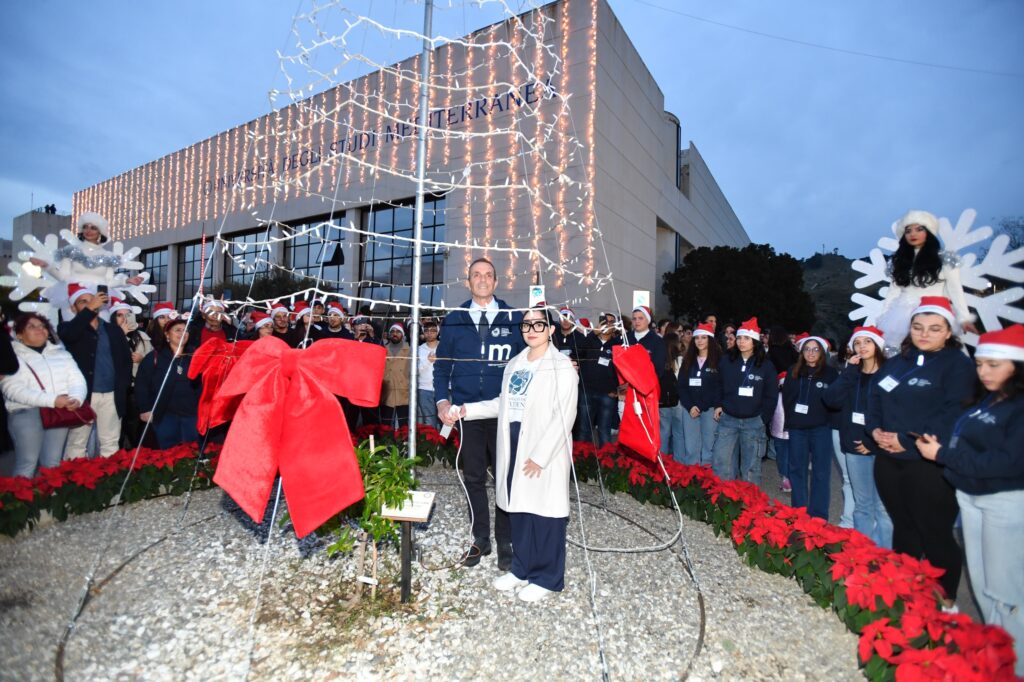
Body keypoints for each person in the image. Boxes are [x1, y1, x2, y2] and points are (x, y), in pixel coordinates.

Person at [916, 325, 1024, 671]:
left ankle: (1016, 662)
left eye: (994, 365)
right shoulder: (990, 399)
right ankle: (996, 648)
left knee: (1005, 587)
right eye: (981, 364)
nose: (984, 372)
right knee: (980, 580)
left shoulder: (1018, 408)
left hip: (1003, 502)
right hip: (971, 497)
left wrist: (943, 455)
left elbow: (1008, 462)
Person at [456, 306, 577, 602]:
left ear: (550, 330)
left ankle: (547, 577)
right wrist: (467, 410)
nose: (531, 330)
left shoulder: (561, 366)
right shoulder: (515, 364)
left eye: (539, 325)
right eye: (526, 325)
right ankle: (521, 569)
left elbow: (565, 414)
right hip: (512, 442)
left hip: (542, 446)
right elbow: (504, 404)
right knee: (518, 508)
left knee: (545, 513)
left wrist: (542, 454)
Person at [867, 296, 974, 608]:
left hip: (929, 466)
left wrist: (907, 440)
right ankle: (907, 593)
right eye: (918, 327)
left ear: (948, 332)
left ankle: (948, 602)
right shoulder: (898, 363)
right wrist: (874, 431)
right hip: (889, 461)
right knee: (904, 527)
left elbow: (954, 414)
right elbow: (874, 399)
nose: (924, 333)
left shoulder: (958, 366)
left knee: (934, 532)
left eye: (934, 328)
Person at [434, 257, 525, 569]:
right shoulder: (455, 318)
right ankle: (480, 538)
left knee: (504, 477)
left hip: (504, 413)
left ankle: (506, 541)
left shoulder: (514, 317)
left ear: (496, 282)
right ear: (468, 281)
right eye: (477, 275)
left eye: (488, 275)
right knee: (473, 476)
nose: (483, 279)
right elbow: (442, 366)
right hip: (467, 414)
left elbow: (532, 354)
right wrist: (442, 403)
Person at [824, 326, 892, 547]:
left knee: (883, 506)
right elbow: (831, 399)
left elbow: (894, 413)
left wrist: (872, 442)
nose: (862, 347)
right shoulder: (852, 374)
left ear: (878, 346)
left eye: (867, 342)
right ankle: (862, 552)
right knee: (862, 504)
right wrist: (850, 372)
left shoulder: (890, 374)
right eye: (858, 343)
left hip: (882, 448)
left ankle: (884, 554)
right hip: (854, 444)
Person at [874, 210, 978, 353]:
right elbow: (893, 293)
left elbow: (955, 290)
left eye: (919, 229)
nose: (913, 234)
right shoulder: (899, 262)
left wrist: (964, 318)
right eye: (908, 231)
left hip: (934, 312)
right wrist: (882, 319)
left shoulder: (944, 260)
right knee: (900, 355)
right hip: (900, 316)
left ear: (928, 232)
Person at [2, 313, 87, 476]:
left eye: (42, 326)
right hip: (27, 413)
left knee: (52, 464)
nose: (39, 329)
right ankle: (21, 501)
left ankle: (47, 499)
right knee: (27, 463)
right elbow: (12, 390)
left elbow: (77, 379)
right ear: (19, 334)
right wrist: (53, 400)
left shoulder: (61, 353)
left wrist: (76, 398)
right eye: (32, 326)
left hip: (57, 413)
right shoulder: (11, 356)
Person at [58, 283, 132, 458]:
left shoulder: (113, 330)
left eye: (91, 300)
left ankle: (109, 483)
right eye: (83, 302)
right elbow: (68, 336)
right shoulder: (67, 327)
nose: (90, 304)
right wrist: (89, 310)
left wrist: (122, 386)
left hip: (112, 395)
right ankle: (76, 482)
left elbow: (125, 361)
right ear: (73, 307)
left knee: (110, 442)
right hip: (83, 396)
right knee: (77, 443)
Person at [711, 317, 777, 482]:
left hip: (754, 422)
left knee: (751, 468)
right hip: (728, 419)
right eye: (739, 338)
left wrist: (763, 418)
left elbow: (771, 395)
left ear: (755, 340)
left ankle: (749, 505)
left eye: (746, 338)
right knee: (721, 463)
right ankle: (724, 501)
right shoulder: (727, 360)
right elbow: (718, 384)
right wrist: (718, 404)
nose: (741, 342)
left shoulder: (766, 365)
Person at [782, 335, 839, 520]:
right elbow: (787, 399)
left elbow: (835, 400)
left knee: (821, 472)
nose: (811, 353)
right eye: (807, 349)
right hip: (798, 428)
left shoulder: (831, 374)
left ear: (822, 352)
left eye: (815, 349)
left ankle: (819, 515)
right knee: (796, 469)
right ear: (802, 352)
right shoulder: (793, 371)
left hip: (821, 428)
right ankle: (799, 512)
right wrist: (790, 421)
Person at [135, 318, 202, 449]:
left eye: (185, 330)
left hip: (192, 416)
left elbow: (202, 384)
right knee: (167, 454)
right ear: (167, 335)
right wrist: (144, 408)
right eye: (178, 330)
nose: (183, 333)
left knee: (192, 452)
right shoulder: (154, 357)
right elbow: (141, 384)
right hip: (165, 416)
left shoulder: (195, 356)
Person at [677, 322, 722, 465]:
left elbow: (718, 387)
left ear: (710, 340)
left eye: (704, 337)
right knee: (691, 447)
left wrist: (701, 406)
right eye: (697, 338)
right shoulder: (688, 360)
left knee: (709, 446)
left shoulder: (719, 361)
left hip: (709, 409)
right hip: (690, 409)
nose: (700, 341)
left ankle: (708, 480)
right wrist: (690, 406)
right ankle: (692, 480)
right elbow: (682, 386)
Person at [111, 298, 153, 449]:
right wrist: (120, 336)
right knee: (116, 428)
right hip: (116, 388)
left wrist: (143, 359)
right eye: (119, 315)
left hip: (136, 387)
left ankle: (135, 454)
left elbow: (152, 359)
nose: (124, 318)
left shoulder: (142, 336)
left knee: (134, 426)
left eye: (127, 314)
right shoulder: (110, 336)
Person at [577, 316, 621, 447]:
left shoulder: (617, 344)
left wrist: (616, 388)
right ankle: (584, 462)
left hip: (607, 394)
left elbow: (622, 369)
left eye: (610, 323)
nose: (607, 325)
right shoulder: (590, 341)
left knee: (604, 431)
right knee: (584, 430)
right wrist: (593, 333)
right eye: (604, 322)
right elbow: (578, 352)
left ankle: (605, 464)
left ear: (614, 326)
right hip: (587, 391)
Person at [658, 332, 685, 461]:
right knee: (679, 433)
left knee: (664, 432)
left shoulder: (660, 361)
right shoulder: (680, 360)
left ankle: (663, 461)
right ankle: (678, 463)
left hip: (663, 401)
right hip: (678, 402)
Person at [381, 323, 411, 428]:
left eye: (398, 332)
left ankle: (404, 443)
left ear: (402, 335)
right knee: (386, 423)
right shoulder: (383, 349)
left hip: (403, 390)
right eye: (392, 331)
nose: (395, 334)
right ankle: (386, 443)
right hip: (387, 390)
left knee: (404, 423)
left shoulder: (410, 350)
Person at [626, 306, 667, 382]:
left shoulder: (657, 341)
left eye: (640, 318)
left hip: (647, 386)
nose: (637, 321)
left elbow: (658, 369)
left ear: (648, 320)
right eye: (634, 319)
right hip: (626, 386)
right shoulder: (625, 338)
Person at [417, 319, 440, 429]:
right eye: (426, 330)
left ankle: (446, 444)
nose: (429, 333)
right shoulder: (419, 350)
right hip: (424, 389)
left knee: (447, 420)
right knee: (429, 420)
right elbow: (415, 372)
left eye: (433, 330)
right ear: (423, 332)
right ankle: (433, 445)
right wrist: (427, 361)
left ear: (438, 332)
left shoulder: (444, 347)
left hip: (443, 388)